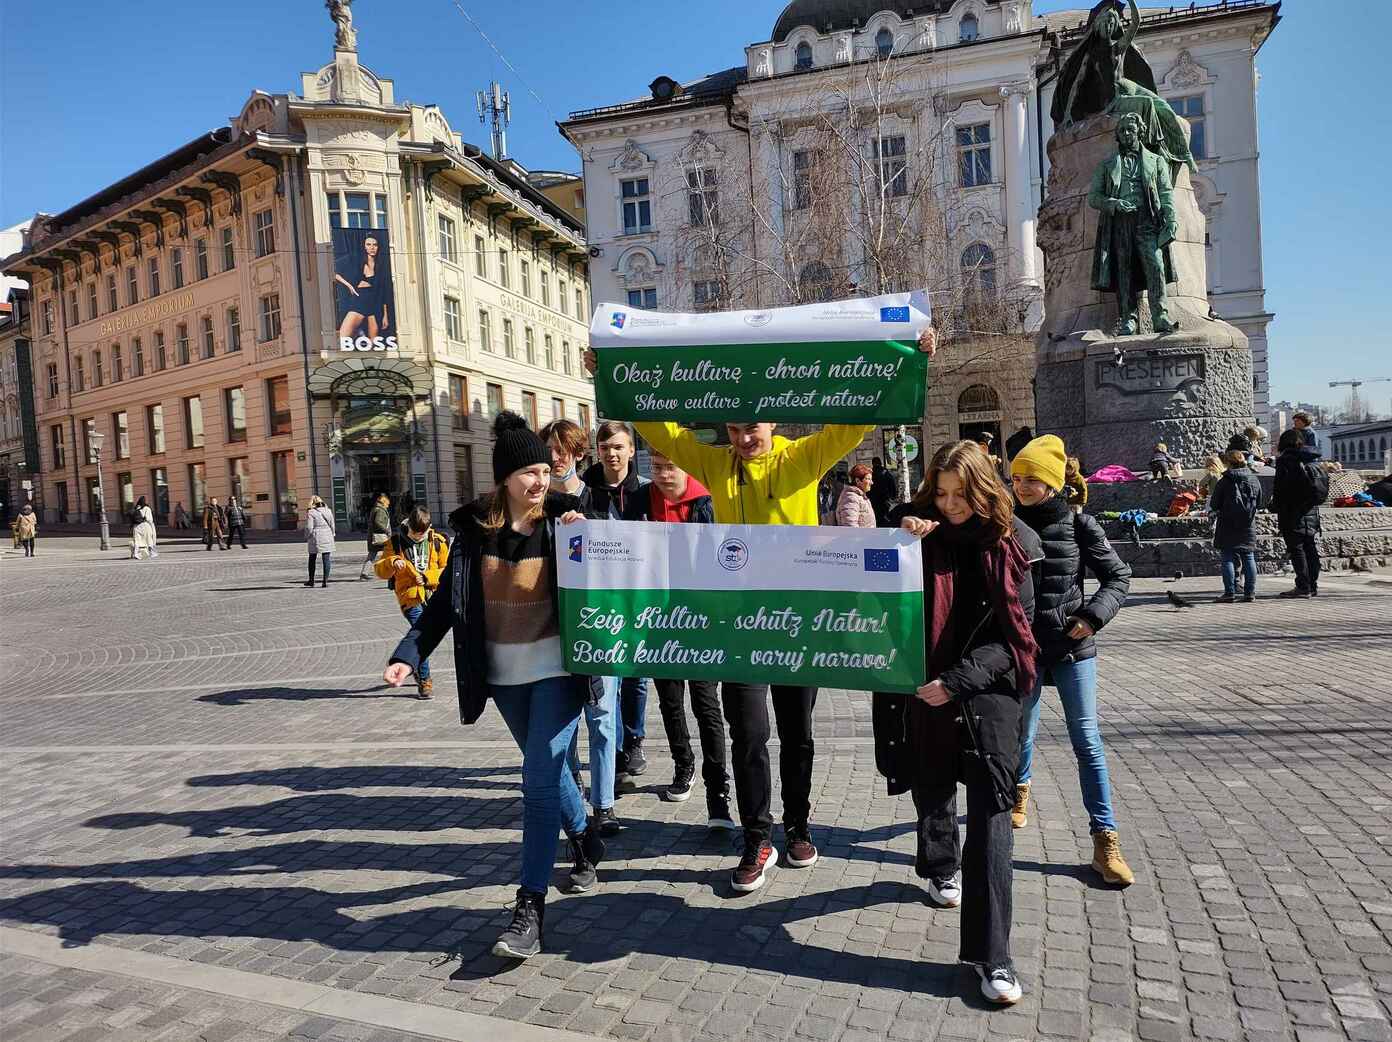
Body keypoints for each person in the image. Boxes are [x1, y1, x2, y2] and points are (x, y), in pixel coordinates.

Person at [598, 325, 937, 892]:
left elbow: (854, 420)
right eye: (733, 429)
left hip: (798, 619)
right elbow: (662, 432)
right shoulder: (715, 464)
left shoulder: (802, 458)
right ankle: (756, 837)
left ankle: (798, 825)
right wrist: (607, 376)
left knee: (796, 732)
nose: (742, 438)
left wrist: (911, 361)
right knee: (748, 734)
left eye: (751, 428)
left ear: (772, 422)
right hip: (740, 624)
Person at [383, 411, 604, 960]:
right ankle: (583, 838)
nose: (539, 481)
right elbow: (444, 605)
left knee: (537, 778)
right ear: (504, 478)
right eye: (528, 471)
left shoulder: (568, 518)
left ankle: (529, 906)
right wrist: (409, 655)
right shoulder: (471, 530)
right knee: (548, 772)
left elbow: (613, 577)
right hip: (503, 677)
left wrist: (587, 543)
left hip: (558, 670)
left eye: (544, 470)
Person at [875, 440, 1041, 1006]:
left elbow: (1018, 638)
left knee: (992, 815)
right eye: (939, 494)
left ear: (983, 489)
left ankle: (992, 956)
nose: (949, 506)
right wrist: (904, 526)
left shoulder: (1015, 543)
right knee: (932, 783)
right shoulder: (921, 537)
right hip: (925, 685)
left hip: (988, 689)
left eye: (960, 495)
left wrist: (958, 681)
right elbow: (875, 572)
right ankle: (939, 864)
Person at [1008, 436, 1135, 886]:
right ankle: (1018, 791)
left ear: (1052, 482)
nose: (1021, 486)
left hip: (1071, 646)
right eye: (1016, 477)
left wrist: (1092, 617)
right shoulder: (1002, 521)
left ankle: (1105, 839)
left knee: (1087, 740)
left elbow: (1118, 576)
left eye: (1031, 479)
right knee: (1021, 732)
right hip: (1023, 648)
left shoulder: (1079, 524)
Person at [621, 451, 734, 825]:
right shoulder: (640, 499)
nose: (664, 474)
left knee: (706, 703)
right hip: (657, 617)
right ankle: (682, 766)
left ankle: (718, 786)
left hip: (700, 617)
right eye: (657, 467)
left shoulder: (706, 500)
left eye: (672, 466)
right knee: (670, 701)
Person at [541, 418, 623, 835]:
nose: (555, 458)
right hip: (551, 625)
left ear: (577, 452)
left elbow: (618, 559)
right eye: (549, 450)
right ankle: (571, 792)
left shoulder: (596, 499)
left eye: (562, 450)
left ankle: (604, 804)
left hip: (596, 623)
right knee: (563, 720)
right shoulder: (534, 507)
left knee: (603, 715)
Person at [582, 421, 652, 780]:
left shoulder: (645, 491)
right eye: (605, 447)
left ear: (629, 450)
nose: (612, 453)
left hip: (637, 596)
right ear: (598, 450)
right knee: (608, 678)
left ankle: (634, 741)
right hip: (599, 599)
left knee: (636, 675)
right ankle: (615, 746)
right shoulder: (585, 490)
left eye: (618, 447)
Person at [375, 504, 450, 697]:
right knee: (420, 634)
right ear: (408, 526)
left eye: (421, 534)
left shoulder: (438, 541)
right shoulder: (396, 542)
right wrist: (392, 562)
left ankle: (410, 664)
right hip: (410, 597)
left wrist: (427, 577)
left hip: (433, 597)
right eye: (415, 533)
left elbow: (447, 570)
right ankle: (425, 680)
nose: (417, 537)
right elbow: (379, 569)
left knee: (423, 634)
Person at [1271, 427, 1328, 599]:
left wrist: (1275, 505)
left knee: (1297, 550)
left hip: (1291, 512)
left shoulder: (1286, 461)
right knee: (1310, 549)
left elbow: (1281, 489)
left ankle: (1303, 587)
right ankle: (1312, 585)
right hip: (1310, 511)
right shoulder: (1313, 460)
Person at [1211, 436, 1264, 603]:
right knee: (1248, 556)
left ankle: (1230, 593)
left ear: (1228, 463)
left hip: (1227, 522)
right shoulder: (1253, 478)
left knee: (1227, 556)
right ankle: (1250, 593)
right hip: (1248, 523)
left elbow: (1214, 503)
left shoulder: (1224, 481)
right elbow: (1260, 502)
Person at [334, 233, 391, 342]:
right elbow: (335, 272)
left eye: (375, 244)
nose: (372, 247)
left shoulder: (382, 266)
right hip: (360, 301)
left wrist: (385, 315)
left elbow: (384, 293)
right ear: (364, 246)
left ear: (378, 247)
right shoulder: (356, 260)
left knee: (375, 343)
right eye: (368, 244)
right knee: (343, 338)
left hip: (374, 305)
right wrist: (349, 286)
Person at [304, 495, 336, 588]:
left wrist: (307, 536)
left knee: (312, 558)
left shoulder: (311, 512)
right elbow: (332, 524)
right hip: (327, 535)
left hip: (316, 536)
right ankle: (325, 581)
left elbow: (310, 527)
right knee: (326, 559)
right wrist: (332, 534)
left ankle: (311, 580)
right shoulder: (328, 511)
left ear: (312, 503)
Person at [360, 493, 392, 580]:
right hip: (379, 537)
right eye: (387, 504)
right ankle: (391, 571)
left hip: (375, 536)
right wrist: (385, 530)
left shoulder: (376, 509)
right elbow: (378, 522)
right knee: (390, 553)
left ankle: (364, 573)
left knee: (372, 555)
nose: (388, 506)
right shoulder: (380, 510)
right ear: (384, 502)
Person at [836, 463, 877, 527]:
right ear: (858, 480)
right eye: (868, 479)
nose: (872, 482)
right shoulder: (850, 498)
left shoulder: (860, 496)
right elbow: (850, 526)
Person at [869, 457, 896, 525]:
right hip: (885, 499)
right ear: (880, 463)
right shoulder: (886, 472)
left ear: (873, 463)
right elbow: (892, 484)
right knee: (884, 516)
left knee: (876, 516)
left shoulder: (870, 473)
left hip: (873, 500)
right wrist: (892, 496)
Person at [130, 496, 158, 560]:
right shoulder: (147, 508)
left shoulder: (136, 508)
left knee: (137, 541)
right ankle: (152, 553)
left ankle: (136, 554)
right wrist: (152, 525)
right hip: (145, 525)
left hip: (136, 526)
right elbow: (149, 519)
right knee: (149, 540)